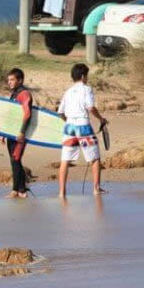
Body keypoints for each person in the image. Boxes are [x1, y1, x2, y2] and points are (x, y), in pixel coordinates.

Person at [57, 63, 108, 197]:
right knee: (95, 158)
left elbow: (60, 112)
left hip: (69, 128)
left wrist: (68, 121)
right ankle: (96, 188)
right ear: (83, 76)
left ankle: (62, 193)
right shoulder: (87, 89)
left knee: (65, 160)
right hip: (83, 127)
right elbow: (91, 107)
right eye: (87, 76)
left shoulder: (68, 92)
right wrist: (101, 119)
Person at [2, 68, 32, 198]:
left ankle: (18, 190)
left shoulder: (23, 93)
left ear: (20, 80)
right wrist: (4, 133)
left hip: (20, 133)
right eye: (8, 80)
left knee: (16, 159)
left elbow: (27, 114)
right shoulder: (14, 94)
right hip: (11, 133)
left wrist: (22, 132)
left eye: (12, 79)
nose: (9, 82)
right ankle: (21, 190)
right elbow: (11, 115)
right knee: (14, 160)